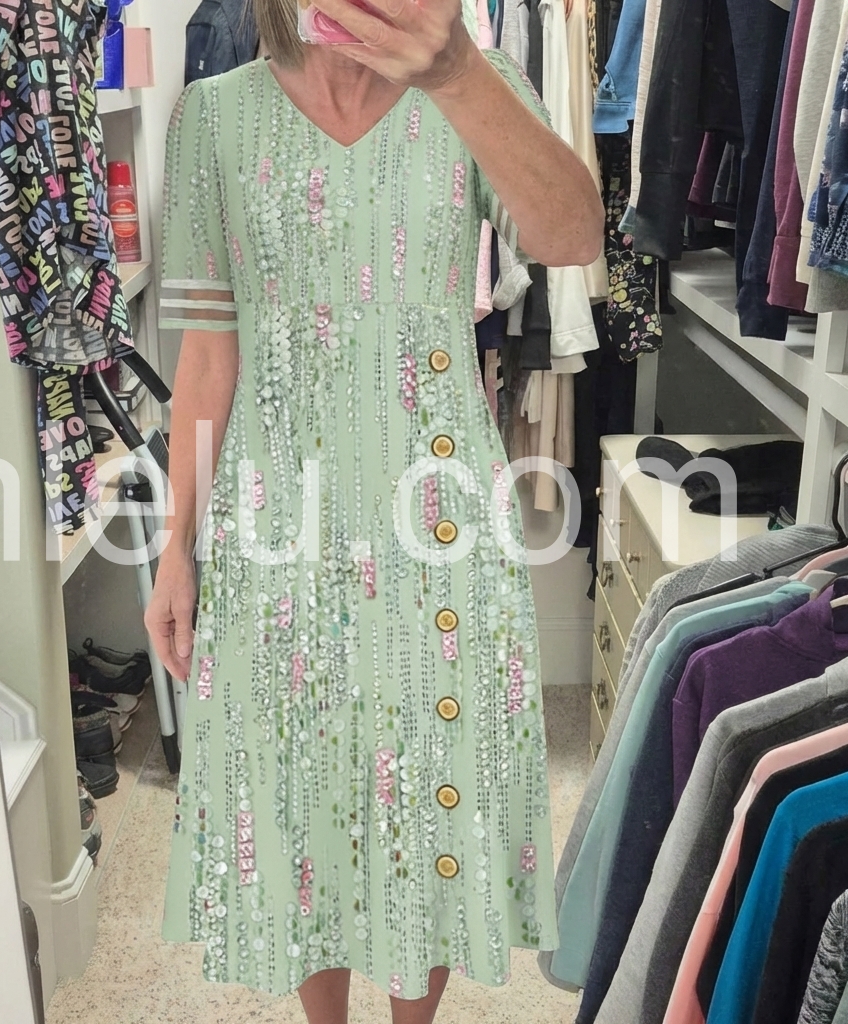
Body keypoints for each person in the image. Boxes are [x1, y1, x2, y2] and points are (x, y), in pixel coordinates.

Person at [145, 0, 603, 1021]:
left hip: (435, 521)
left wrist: (457, 73)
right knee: (301, 787)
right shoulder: (213, 116)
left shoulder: (476, 88)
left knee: (425, 787)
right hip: (275, 524)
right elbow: (206, 359)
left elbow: (572, 236)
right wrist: (177, 548)